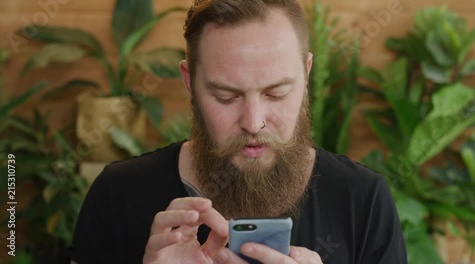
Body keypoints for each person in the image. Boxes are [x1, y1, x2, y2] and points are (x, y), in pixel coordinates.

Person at [68, 0, 407, 263]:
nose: (253, 122)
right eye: (226, 97)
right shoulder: (118, 195)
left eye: (276, 93)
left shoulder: (363, 200)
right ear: (189, 82)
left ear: (306, 75)